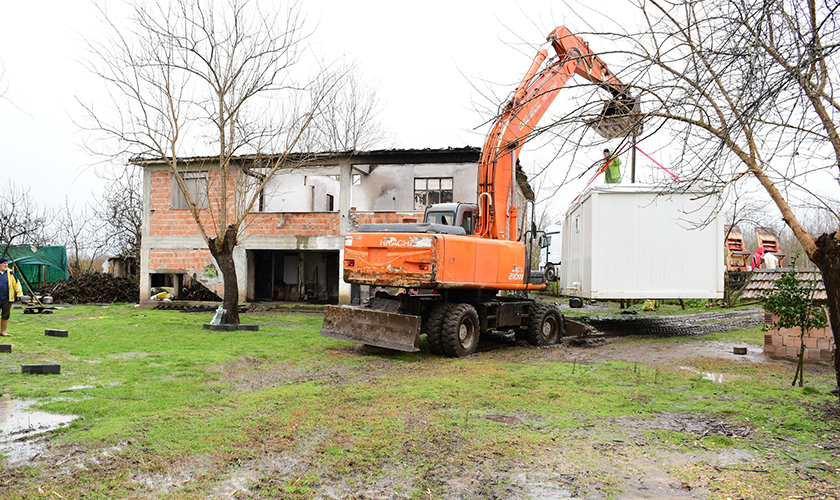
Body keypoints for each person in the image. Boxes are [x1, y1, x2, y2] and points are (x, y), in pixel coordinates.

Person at [0, 257, 24, 337]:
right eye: (4, 263)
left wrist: (19, 294)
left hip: (7, 298)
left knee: (5, 315)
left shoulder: (10, 273)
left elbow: (17, 283)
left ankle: (3, 331)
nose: (6, 265)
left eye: (6, 263)